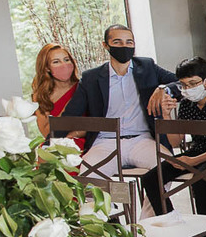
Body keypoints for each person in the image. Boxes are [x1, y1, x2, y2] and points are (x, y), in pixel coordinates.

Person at [140, 57, 206, 237]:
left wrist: (193, 162)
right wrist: (167, 116)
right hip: (196, 151)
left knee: (200, 177)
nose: (188, 89)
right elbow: (176, 143)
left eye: (193, 84)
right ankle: (172, 228)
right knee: (151, 178)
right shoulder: (186, 105)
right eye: (184, 85)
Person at [63, 25, 177, 181]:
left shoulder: (147, 66)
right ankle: (108, 207)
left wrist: (164, 88)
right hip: (105, 142)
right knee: (88, 180)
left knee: (167, 168)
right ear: (105, 45)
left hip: (143, 140)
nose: (124, 46)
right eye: (117, 42)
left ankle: (155, 207)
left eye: (129, 42)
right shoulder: (91, 78)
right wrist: (51, 143)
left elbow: (182, 83)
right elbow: (71, 114)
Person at [31, 43, 81, 142]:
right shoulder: (41, 95)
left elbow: (94, 124)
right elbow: (46, 132)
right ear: (47, 68)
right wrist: (68, 109)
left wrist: (74, 134)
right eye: (56, 62)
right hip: (55, 143)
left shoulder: (83, 88)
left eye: (67, 60)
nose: (64, 65)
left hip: (86, 142)